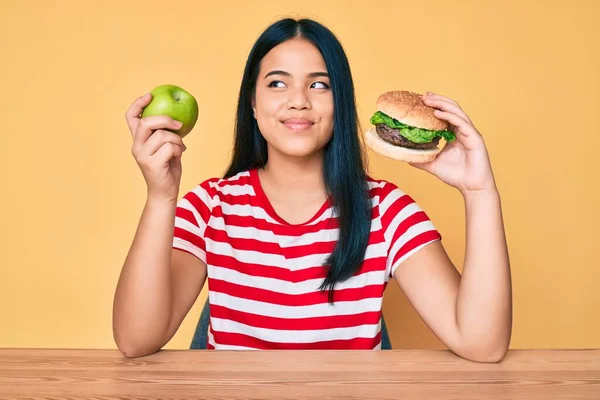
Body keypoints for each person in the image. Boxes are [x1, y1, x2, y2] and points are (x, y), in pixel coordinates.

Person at [113, 17, 512, 361]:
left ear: (341, 100)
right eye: (277, 83)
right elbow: (135, 340)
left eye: (319, 85)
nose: (299, 101)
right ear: (252, 102)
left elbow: (483, 344)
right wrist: (161, 196)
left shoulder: (387, 211)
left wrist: (479, 193)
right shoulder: (210, 207)